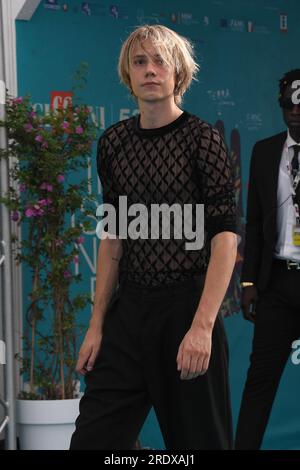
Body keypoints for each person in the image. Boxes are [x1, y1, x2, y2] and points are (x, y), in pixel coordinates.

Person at [70, 24, 237, 450]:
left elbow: (225, 240)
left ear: (178, 72)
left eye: (160, 61)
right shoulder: (113, 144)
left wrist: (201, 328)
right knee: (93, 443)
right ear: (128, 73)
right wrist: (97, 325)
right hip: (130, 314)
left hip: (186, 310)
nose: (150, 70)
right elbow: (114, 237)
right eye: (140, 62)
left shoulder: (203, 141)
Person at [235, 69, 300, 449]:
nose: (295, 112)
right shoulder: (264, 152)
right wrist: (247, 282)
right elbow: (255, 221)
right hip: (276, 282)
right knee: (259, 382)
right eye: (288, 105)